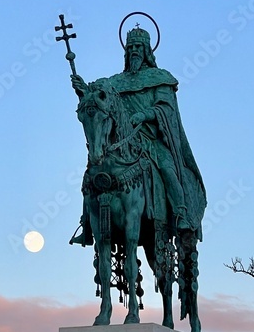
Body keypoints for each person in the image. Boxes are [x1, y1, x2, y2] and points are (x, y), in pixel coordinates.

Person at [71, 25, 206, 241]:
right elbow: (100, 101)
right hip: (120, 141)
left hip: (151, 138)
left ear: (147, 51)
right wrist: (84, 90)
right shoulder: (114, 82)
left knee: (167, 168)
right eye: (130, 47)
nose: (133, 51)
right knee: (92, 171)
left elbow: (166, 108)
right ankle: (87, 223)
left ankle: (180, 212)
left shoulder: (160, 77)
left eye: (138, 47)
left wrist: (144, 115)